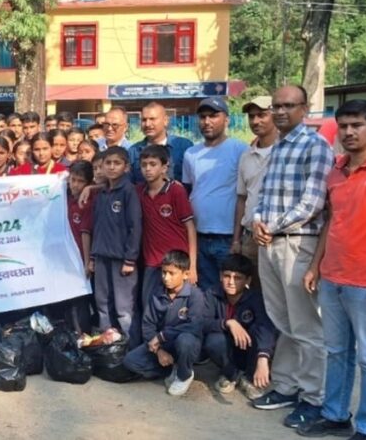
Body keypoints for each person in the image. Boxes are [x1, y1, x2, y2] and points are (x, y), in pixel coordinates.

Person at [251, 85, 333, 429]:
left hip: (297, 243)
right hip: (268, 242)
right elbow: (263, 194)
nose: (281, 111)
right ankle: (285, 385)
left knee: (305, 325)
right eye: (277, 106)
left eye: (288, 105)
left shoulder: (315, 146)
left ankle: (313, 397)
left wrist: (270, 224)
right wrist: (256, 220)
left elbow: (313, 202)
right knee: (281, 319)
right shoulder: (279, 147)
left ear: (304, 107)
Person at [298, 100, 366, 439]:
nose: (349, 132)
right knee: (337, 351)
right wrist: (315, 265)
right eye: (343, 126)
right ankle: (336, 414)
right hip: (333, 275)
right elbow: (331, 222)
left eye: (357, 125)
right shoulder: (336, 171)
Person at [182, 97, 248, 293]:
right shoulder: (191, 154)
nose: (207, 121)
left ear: (226, 120)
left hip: (227, 237)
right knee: (203, 292)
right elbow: (188, 191)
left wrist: (237, 239)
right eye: (202, 117)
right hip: (199, 237)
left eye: (213, 116)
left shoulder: (240, 150)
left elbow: (244, 195)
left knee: (230, 291)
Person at [123, 250, 205, 397]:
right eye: (163, 272)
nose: (166, 278)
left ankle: (184, 375)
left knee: (185, 340)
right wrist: (159, 351)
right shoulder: (157, 293)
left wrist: (162, 336)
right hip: (163, 345)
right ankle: (172, 367)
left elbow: (195, 325)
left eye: (171, 273)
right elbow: (148, 325)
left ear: (185, 274)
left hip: (187, 343)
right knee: (130, 361)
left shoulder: (195, 295)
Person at [202, 254, 276, 400]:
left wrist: (263, 357)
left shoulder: (256, 298)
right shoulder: (212, 294)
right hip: (227, 351)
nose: (231, 282)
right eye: (227, 276)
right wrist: (228, 323)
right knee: (213, 340)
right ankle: (231, 374)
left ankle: (249, 377)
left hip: (250, 352)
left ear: (248, 280)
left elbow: (265, 327)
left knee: (259, 330)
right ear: (220, 276)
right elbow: (201, 322)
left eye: (237, 278)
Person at [137, 145, 198, 315]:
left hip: (177, 262)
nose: (148, 169)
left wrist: (192, 266)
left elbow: (190, 229)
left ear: (164, 167)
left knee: (178, 311)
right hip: (152, 261)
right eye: (144, 165)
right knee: (149, 307)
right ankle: (150, 341)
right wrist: (91, 188)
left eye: (153, 164)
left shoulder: (176, 191)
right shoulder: (139, 191)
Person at [89, 147, 141, 342]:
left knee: (123, 309)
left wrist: (130, 259)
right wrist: (93, 257)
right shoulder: (102, 192)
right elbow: (97, 226)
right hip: (101, 256)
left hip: (122, 259)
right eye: (107, 163)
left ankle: (131, 349)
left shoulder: (129, 191)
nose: (111, 167)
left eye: (116, 163)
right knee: (103, 303)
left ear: (126, 167)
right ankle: (108, 348)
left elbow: (135, 227)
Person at [232, 96, 277, 291]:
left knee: (280, 295)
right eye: (251, 116)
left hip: (277, 236)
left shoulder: (286, 152)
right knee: (254, 294)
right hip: (250, 238)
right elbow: (242, 199)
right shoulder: (246, 156)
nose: (256, 121)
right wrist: (236, 239)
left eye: (262, 115)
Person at [128, 102, 193, 183]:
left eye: (152, 119)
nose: (147, 124)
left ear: (165, 121)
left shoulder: (183, 146)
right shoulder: (134, 151)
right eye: (144, 120)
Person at [64, 160, 94, 333]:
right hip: (66, 258)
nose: (75, 184)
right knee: (70, 301)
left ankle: (85, 335)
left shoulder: (87, 203)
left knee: (82, 301)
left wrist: (87, 261)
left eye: (80, 181)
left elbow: (85, 233)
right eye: (72, 180)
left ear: (88, 183)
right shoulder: (66, 198)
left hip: (82, 258)